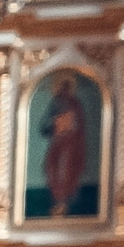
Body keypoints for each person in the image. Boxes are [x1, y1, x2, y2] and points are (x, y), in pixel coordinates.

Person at [41, 74, 90, 219]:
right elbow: (44, 126)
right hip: (57, 143)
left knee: (66, 171)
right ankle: (56, 201)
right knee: (51, 168)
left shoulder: (75, 104)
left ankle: (64, 202)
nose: (63, 91)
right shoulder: (55, 104)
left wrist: (68, 126)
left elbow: (79, 125)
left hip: (71, 144)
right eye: (61, 87)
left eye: (66, 87)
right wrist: (53, 125)